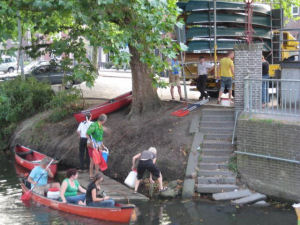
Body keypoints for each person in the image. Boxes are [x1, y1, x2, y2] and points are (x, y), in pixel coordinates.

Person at [86, 114, 108, 179]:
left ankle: (96, 175)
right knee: (92, 161)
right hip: (92, 145)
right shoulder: (94, 125)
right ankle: (91, 175)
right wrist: (91, 141)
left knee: (98, 160)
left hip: (98, 145)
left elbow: (100, 137)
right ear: (103, 120)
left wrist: (102, 145)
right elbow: (87, 134)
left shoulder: (100, 126)